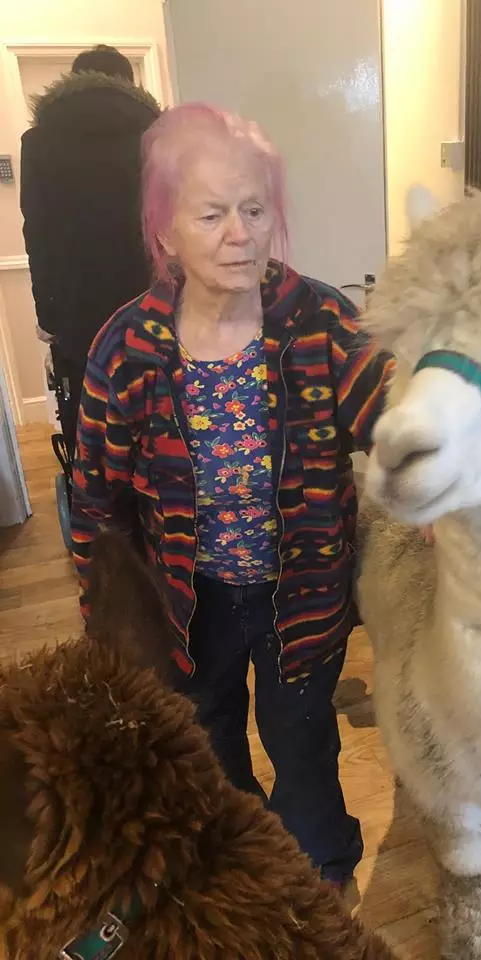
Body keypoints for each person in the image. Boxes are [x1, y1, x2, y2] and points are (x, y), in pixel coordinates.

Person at [70, 103, 394, 888]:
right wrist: (106, 613)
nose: (240, 234)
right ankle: (238, 863)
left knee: (303, 742)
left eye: (254, 210)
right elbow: (94, 501)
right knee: (208, 739)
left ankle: (322, 878)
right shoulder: (130, 347)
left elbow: (395, 423)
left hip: (303, 592)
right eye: (211, 214)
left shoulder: (320, 319)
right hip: (189, 602)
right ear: (166, 231)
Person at [21, 44, 160, 462]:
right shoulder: (158, 137)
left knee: (92, 416)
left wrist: (48, 316)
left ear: (71, 82)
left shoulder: (40, 141)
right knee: (157, 413)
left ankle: (102, 510)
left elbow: (38, 231)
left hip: (77, 311)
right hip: (151, 302)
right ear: (130, 85)